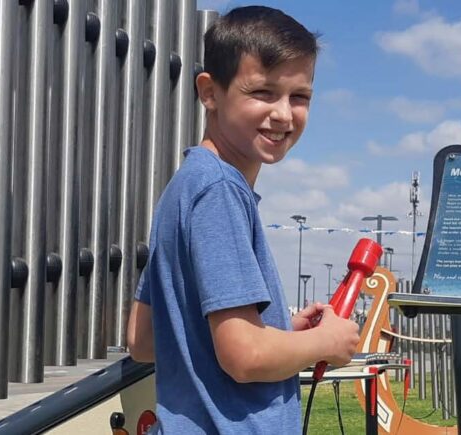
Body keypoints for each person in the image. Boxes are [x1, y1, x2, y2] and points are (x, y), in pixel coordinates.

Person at [125, 5, 359, 434]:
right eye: (263, 92)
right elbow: (244, 356)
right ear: (209, 92)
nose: (284, 114)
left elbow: (145, 339)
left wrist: (278, 331)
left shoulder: (186, 186)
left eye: (299, 97)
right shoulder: (220, 190)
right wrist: (325, 342)